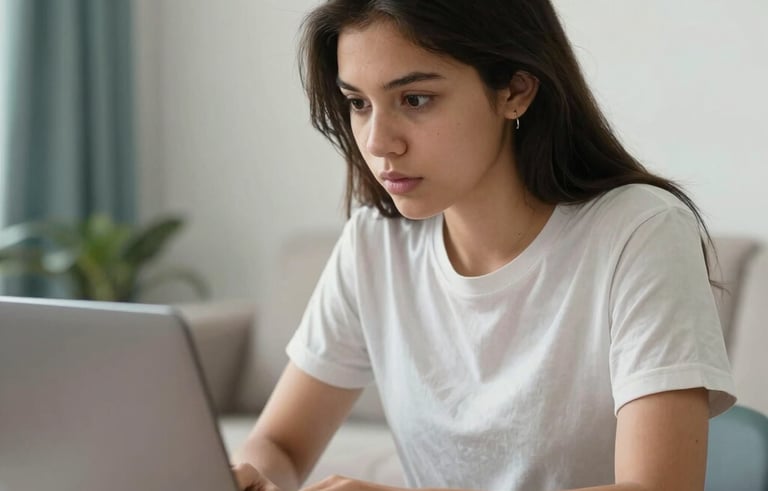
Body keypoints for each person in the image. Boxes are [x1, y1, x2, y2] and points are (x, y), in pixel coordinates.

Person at [232, 1, 736, 490]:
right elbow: (279, 444)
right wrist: (251, 476)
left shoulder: (639, 231)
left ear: (515, 90)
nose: (379, 141)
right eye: (358, 103)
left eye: (415, 99)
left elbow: (658, 487)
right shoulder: (375, 243)